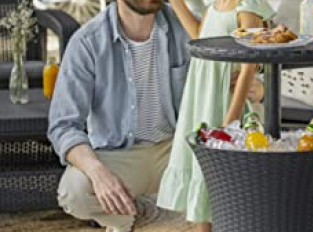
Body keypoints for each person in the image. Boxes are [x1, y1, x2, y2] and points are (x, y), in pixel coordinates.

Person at [47, 0, 190, 231]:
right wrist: (97, 172)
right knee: (74, 192)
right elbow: (63, 126)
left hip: (173, 151)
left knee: (227, 179)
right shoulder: (87, 42)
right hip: (119, 154)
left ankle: (147, 217)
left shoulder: (184, 27)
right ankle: (142, 216)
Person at [156, 0, 275, 232]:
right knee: (202, 162)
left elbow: (250, 65)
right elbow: (200, 36)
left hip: (223, 97)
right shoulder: (214, 6)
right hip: (201, 94)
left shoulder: (248, 6)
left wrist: (231, 118)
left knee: (221, 168)